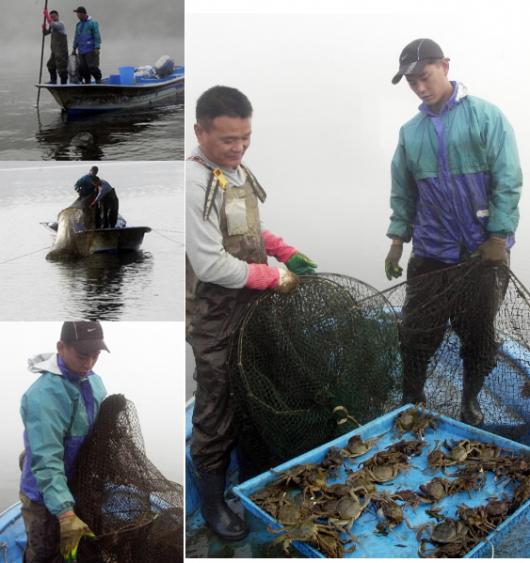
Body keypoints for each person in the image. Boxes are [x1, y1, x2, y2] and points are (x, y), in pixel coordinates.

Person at [186, 85, 317, 541]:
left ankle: (256, 473)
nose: (238, 147)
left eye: (245, 137)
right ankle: (212, 501)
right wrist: (272, 276)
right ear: (200, 131)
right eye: (228, 139)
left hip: (250, 309)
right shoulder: (193, 182)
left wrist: (284, 250)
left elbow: (250, 229)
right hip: (215, 317)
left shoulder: (235, 172)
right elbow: (209, 263)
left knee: (258, 389)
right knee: (215, 408)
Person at [385, 38, 522, 425]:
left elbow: (508, 179)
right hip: (431, 252)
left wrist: (498, 235)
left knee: (478, 337)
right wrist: (398, 238)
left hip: (482, 254)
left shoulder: (485, 117)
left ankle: (470, 402)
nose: (420, 88)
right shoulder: (410, 133)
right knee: (416, 334)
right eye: (412, 83)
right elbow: (403, 189)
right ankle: (412, 401)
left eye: (424, 77)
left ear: (445, 66)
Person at [19, 321, 109, 562]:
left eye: (95, 355)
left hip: (77, 484)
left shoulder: (94, 381)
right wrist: (65, 513)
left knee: (78, 551)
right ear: (61, 347)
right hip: (42, 493)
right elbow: (47, 461)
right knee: (44, 554)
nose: (89, 364)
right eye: (82, 356)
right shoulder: (43, 396)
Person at [72, 6, 101, 84]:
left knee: (92, 67)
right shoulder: (78, 25)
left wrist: (97, 47)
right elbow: (76, 37)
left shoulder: (92, 23)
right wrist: (74, 48)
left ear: (83, 13)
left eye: (78, 13)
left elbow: (97, 36)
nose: (77, 15)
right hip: (81, 50)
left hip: (90, 49)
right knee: (83, 68)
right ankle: (87, 82)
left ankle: (98, 80)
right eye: (77, 14)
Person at [42, 9, 69, 85]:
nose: (52, 18)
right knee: (50, 65)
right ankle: (53, 80)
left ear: (57, 16)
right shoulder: (52, 26)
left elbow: (53, 24)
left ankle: (64, 83)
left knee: (62, 68)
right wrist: (43, 28)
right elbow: (46, 33)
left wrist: (46, 16)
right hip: (54, 51)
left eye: (53, 17)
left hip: (62, 51)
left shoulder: (60, 24)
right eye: (51, 17)